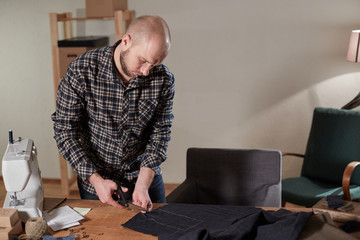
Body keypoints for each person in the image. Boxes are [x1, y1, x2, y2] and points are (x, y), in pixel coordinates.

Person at [51, 15, 174, 212]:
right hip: (98, 179)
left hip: (144, 176)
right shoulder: (82, 70)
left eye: (154, 64)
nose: (146, 72)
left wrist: (143, 183)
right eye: (142, 61)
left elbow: (160, 133)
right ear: (126, 41)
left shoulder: (164, 79)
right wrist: (95, 179)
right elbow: (65, 131)